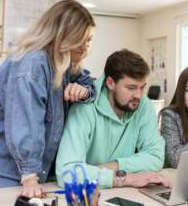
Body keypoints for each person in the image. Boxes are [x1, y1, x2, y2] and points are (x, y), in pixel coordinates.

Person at [0, 0, 96, 197]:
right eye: (79, 38)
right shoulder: (34, 62)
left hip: (10, 154)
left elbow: (88, 80)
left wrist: (84, 90)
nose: (85, 46)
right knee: (7, 198)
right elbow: (25, 120)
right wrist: (30, 175)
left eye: (89, 39)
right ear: (62, 34)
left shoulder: (64, 62)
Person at [56, 49, 169, 189]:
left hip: (119, 192)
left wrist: (110, 167)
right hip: (88, 195)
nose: (139, 96)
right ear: (110, 83)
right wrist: (126, 178)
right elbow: (66, 173)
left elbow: (156, 156)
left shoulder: (143, 105)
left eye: (142, 88)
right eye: (131, 88)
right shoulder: (84, 108)